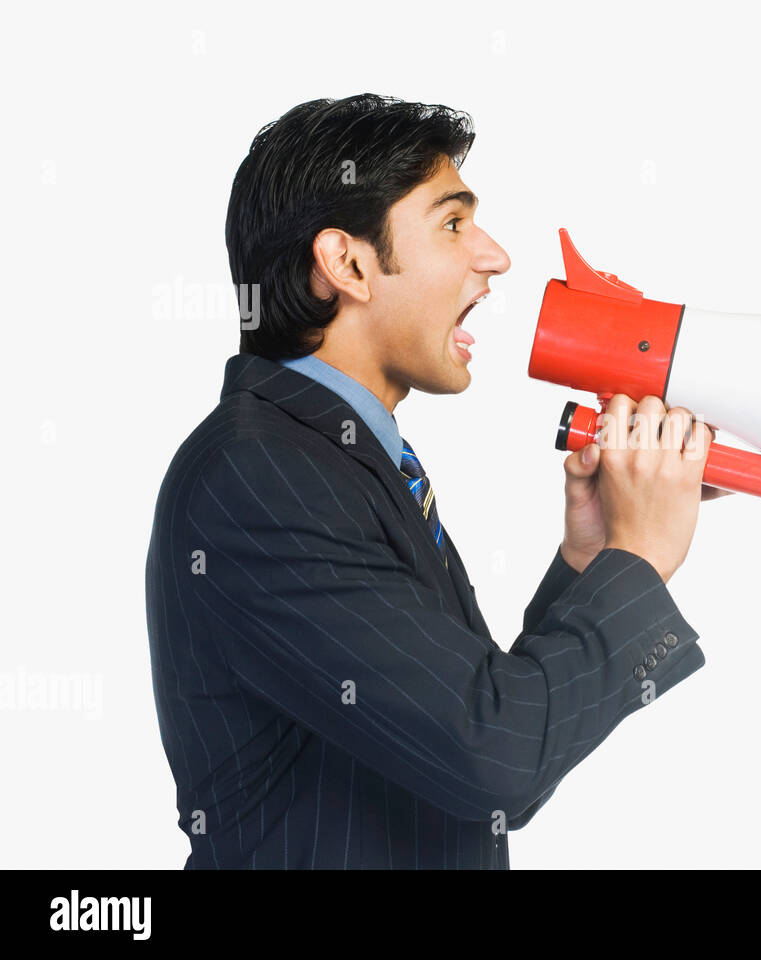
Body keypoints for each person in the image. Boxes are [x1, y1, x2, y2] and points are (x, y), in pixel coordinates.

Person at [144, 94, 725, 869]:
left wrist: (589, 564)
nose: (493, 255)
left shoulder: (336, 459)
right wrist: (640, 557)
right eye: (452, 223)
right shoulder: (259, 475)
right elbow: (497, 762)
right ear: (346, 263)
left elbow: (474, 739)